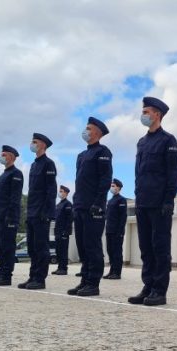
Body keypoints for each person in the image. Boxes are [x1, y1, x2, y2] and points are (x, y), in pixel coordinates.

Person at [127, 97, 177, 306]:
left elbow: (175, 172)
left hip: (160, 204)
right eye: (143, 111)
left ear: (157, 114)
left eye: (147, 111)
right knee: (145, 248)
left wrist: (169, 199)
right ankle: (148, 286)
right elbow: (138, 173)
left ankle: (160, 290)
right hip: (143, 202)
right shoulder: (142, 142)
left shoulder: (168, 140)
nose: (144, 114)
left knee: (160, 248)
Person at [68, 117, 113, 297]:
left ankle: (93, 283)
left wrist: (98, 203)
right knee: (82, 245)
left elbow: (105, 179)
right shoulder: (81, 155)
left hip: (93, 207)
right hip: (79, 205)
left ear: (97, 132)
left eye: (88, 128)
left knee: (92, 245)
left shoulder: (103, 152)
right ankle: (85, 279)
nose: (85, 131)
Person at [19, 133, 57, 290]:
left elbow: (51, 190)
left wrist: (46, 212)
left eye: (35, 142)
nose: (32, 144)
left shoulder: (48, 164)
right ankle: (32, 276)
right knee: (32, 247)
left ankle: (40, 279)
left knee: (41, 247)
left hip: (41, 213)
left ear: (43, 145)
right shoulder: (34, 165)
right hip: (32, 212)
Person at [0, 145, 23, 286]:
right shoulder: (3, 175)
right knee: (0, 247)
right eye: (1, 154)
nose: (2, 156)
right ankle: (1, 272)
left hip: (9, 217)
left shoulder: (16, 174)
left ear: (12, 157)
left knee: (8, 247)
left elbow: (15, 197)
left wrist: (10, 215)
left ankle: (6, 275)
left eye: (4, 154)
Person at [103, 178, 127, 280]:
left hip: (117, 231)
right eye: (111, 186)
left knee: (117, 252)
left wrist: (120, 231)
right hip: (109, 230)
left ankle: (117, 273)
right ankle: (112, 271)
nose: (111, 187)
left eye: (113, 186)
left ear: (119, 187)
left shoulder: (121, 200)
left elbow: (123, 217)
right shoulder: (110, 200)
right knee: (110, 251)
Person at [52, 185, 73, 276]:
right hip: (57, 231)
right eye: (59, 191)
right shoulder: (58, 204)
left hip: (64, 231)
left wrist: (66, 231)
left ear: (66, 193)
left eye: (61, 191)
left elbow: (69, 219)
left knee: (63, 251)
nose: (59, 193)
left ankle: (64, 268)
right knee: (58, 250)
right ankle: (59, 267)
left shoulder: (68, 204)